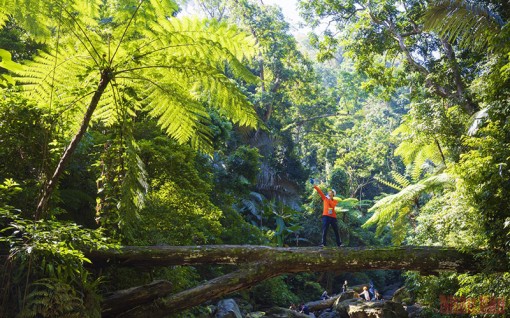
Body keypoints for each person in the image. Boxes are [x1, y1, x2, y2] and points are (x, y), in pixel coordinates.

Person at [311, 178, 342, 247]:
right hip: (326, 216)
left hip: (333, 217)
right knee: (325, 230)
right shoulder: (325, 198)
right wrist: (315, 185)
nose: (330, 193)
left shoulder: (334, 201)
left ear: (333, 194)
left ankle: (339, 244)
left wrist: (329, 199)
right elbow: (320, 191)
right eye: (330, 192)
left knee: (336, 230)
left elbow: (332, 205)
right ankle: (323, 243)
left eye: (331, 192)